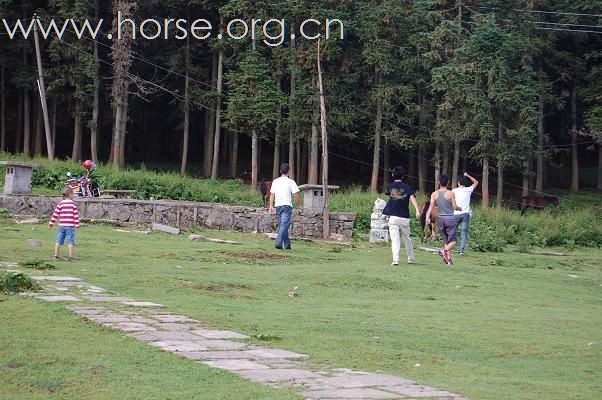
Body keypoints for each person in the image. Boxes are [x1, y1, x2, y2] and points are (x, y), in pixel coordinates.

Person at [383, 166, 421, 266]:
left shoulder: (390, 186)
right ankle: (410, 258)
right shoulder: (408, 187)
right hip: (404, 217)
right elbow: (412, 198)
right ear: (403, 176)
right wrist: (417, 210)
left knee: (395, 239)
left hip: (393, 217)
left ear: (392, 175)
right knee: (407, 238)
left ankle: (395, 260)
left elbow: (390, 196)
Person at [425, 175, 462, 265]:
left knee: (446, 241)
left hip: (440, 220)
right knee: (453, 241)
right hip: (450, 219)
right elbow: (454, 206)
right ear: (448, 182)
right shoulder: (450, 193)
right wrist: (459, 208)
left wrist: (427, 217)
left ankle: (448, 259)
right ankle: (444, 251)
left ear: (439, 183)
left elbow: (430, 207)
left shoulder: (434, 194)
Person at [269, 163, 303, 250]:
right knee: (284, 225)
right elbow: (296, 195)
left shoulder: (275, 181)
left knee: (283, 225)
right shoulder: (291, 182)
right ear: (289, 171)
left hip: (278, 206)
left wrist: (271, 206)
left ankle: (287, 245)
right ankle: (278, 243)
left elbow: (272, 194)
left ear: (280, 171)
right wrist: (300, 206)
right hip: (287, 206)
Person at [48, 186, 80, 261]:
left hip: (61, 226)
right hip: (70, 227)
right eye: (73, 194)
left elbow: (55, 215)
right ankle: (71, 256)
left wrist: (51, 224)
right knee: (70, 241)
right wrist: (77, 225)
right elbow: (75, 216)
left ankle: (56, 255)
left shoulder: (60, 204)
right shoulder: (73, 205)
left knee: (58, 241)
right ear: (70, 195)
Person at [453, 172, 479, 255]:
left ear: (458, 183)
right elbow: (476, 182)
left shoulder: (454, 190)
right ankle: (461, 250)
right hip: (465, 214)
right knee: (464, 232)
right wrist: (468, 175)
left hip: (456, 213)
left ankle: (450, 246)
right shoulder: (468, 190)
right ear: (465, 183)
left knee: (453, 230)